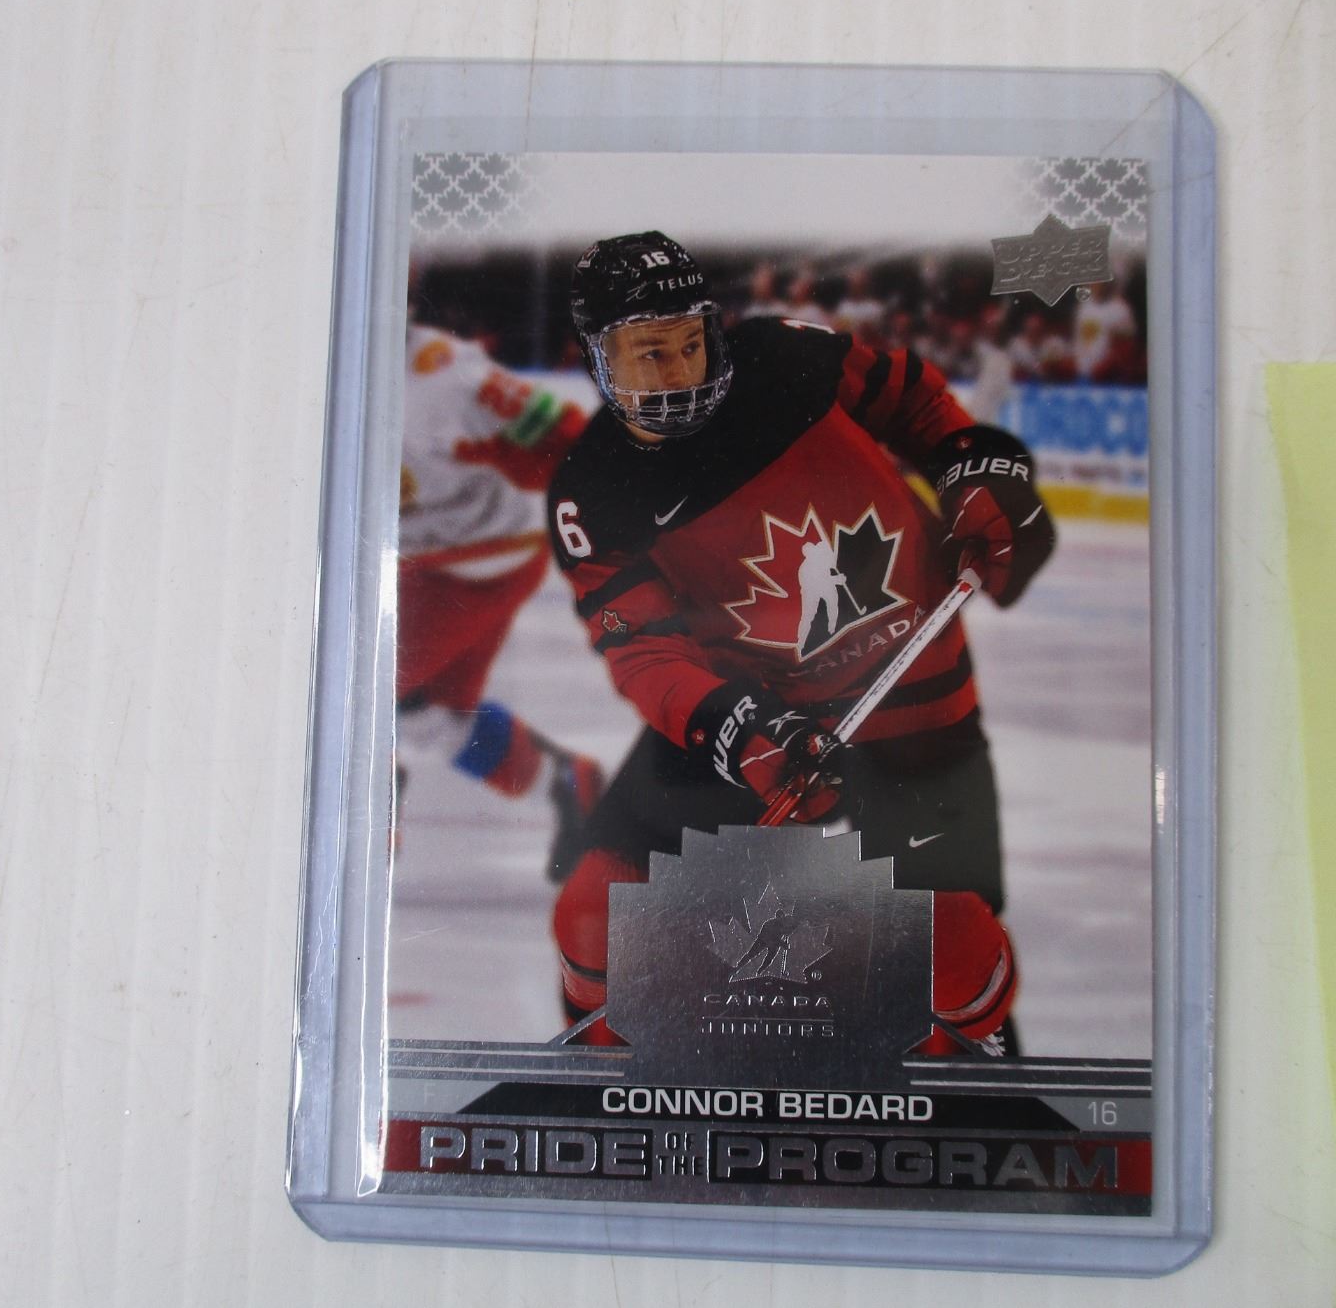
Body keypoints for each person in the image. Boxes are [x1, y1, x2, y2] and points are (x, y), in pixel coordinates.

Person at [545, 232, 1056, 1053]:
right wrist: (739, 730)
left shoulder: (787, 359)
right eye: (649, 354)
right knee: (596, 909)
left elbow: (915, 401)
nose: (679, 374)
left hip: (915, 701)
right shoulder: (593, 490)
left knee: (955, 949)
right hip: (751, 716)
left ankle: (979, 1066)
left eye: (690, 343)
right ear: (598, 359)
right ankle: (601, 1055)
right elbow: (644, 649)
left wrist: (974, 469)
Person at [397, 321, 604, 879]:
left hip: (471, 563)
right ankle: (566, 782)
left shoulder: (440, 378)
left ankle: (354, 842)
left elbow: (566, 439)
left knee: (356, 696)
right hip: (450, 560)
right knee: (430, 715)